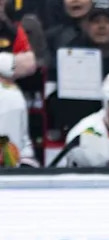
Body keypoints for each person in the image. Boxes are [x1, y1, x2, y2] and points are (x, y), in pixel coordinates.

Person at [0, 0, 37, 167]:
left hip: (6, 107)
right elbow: (15, 65)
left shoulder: (11, 30)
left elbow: (29, 63)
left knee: (10, 95)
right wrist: (8, 65)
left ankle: (20, 157)